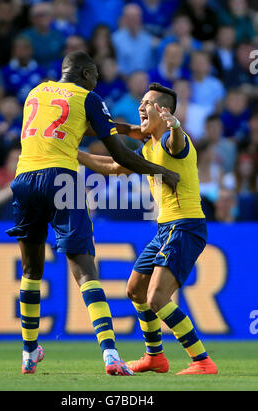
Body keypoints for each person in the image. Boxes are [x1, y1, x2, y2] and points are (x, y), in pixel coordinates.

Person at [5, 51, 179, 376]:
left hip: (24, 179)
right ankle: (110, 354)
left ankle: (29, 351)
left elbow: (68, 125)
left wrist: (126, 128)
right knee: (85, 270)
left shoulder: (36, 92)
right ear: (85, 74)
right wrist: (161, 172)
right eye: (95, 74)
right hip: (60, 180)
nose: (97, 80)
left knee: (30, 271)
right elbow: (121, 157)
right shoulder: (89, 97)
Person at [77, 82, 218, 375]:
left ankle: (202, 360)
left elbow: (177, 142)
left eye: (147, 103)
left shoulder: (170, 139)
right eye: (140, 102)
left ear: (164, 111)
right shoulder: (147, 145)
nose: (140, 107)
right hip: (164, 229)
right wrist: (74, 153)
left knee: (156, 298)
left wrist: (176, 127)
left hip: (185, 226)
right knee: (135, 291)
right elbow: (115, 166)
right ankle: (155, 357)